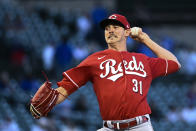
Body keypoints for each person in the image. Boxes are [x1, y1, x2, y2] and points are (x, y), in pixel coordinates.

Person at [40, 14, 181, 131]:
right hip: (109, 127)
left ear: (127, 32)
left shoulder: (143, 60)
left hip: (140, 126)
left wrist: (146, 40)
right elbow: (66, 88)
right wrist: (45, 103)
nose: (110, 30)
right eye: (107, 28)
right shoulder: (94, 60)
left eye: (115, 27)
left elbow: (175, 64)